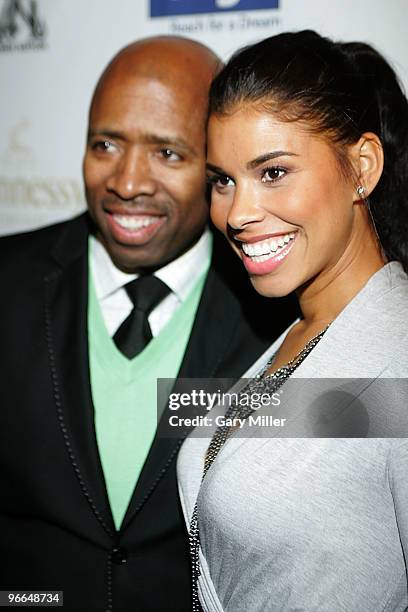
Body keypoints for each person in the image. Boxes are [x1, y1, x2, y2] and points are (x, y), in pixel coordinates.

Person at [0, 37, 296, 611]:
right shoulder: (7, 283)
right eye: (106, 144)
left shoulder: (281, 312)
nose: (128, 182)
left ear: (216, 169)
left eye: (168, 153)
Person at [178, 30, 408, 611]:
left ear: (362, 166)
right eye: (223, 180)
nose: (239, 213)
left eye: (274, 172)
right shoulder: (294, 334)